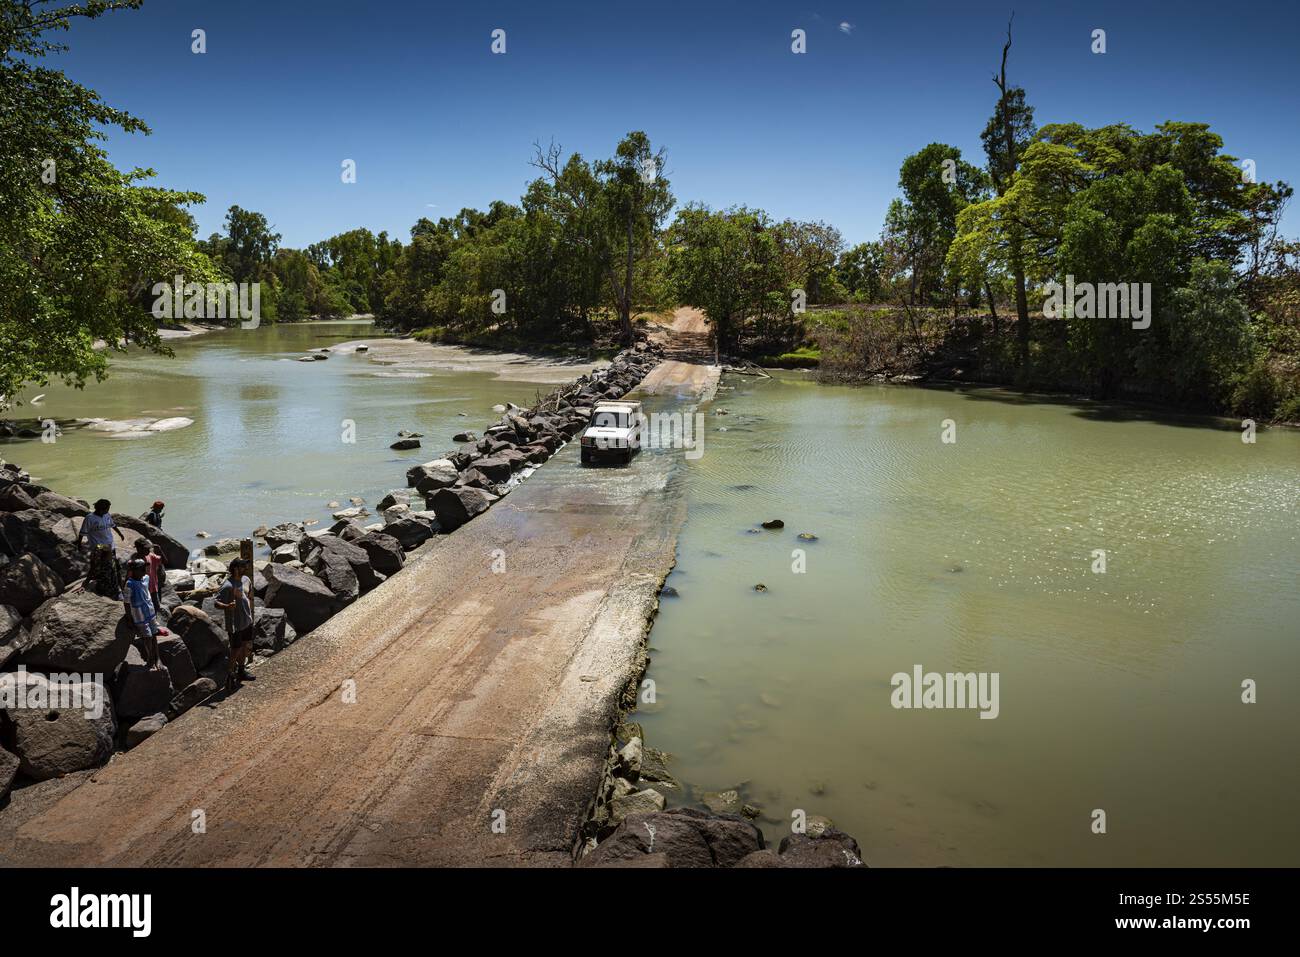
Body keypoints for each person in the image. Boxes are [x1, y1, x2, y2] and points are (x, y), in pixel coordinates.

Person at [215, 558, 255, 690]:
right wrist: (227, 606)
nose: (246, 568)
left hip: (246, 621)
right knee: (235, 650)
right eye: (243, 566)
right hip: (234, 624)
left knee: (244, 646)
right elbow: (216, 602)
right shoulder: (227, 585)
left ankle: (241, 671)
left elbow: (248, 596)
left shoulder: (246, 580)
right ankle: (230, 674)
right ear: (236, 568)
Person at [77, 499, 125, 598]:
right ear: (101, 509)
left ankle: (120, 587)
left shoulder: (107, 515)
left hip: (109, 544)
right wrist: (79, 544)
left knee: (114, 566)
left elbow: (113, 525)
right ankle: (88, 582)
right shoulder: (90, 518)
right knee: (96, 564)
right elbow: (82, 532)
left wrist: (120, 533)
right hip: (98, 546)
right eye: (107, 508)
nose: (108, 510)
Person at [123, 558, 162, 669]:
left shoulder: (146, 578)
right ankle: (150, 658)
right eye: (142, 570)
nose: (144, 572)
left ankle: (156, 658)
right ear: (134, 571)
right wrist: (129, 618)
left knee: (154, 634)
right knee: (147, 636)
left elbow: (147, 593)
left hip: (150, 612)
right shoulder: (129, 584)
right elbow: (126, 602)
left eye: (144, 569)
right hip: (139, 614)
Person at [133, 538, 166, 609]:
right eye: (146, 548)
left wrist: (160, 550)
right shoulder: (134, 561)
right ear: (139, 549)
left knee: (156, 607)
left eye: (149, 548)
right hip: (142, 590)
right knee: (145, 608)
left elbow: (164, 561)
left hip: (153, 588)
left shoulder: (151, 556)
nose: (148, 550)